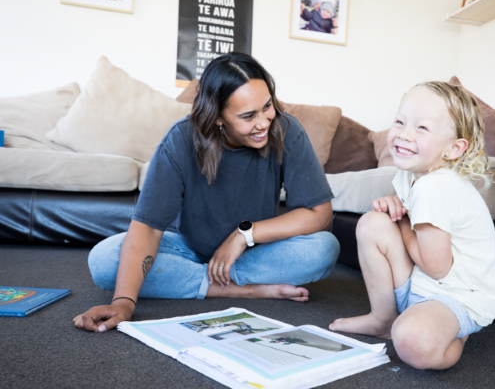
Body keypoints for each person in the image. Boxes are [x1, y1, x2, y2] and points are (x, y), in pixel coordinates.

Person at [73, 53, 340, 333]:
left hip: (251, 254)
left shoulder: (286, 130)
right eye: (248, 116)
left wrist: (243, 235)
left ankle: (203, 282)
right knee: (103, 260)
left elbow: (319, 214)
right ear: (218, 118)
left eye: (267, 106)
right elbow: (148, 230)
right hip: (186, 249)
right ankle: (241, 290)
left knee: (324, 248)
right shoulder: (179, 140)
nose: (263, 122)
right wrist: (124, 302)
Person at [329, 82, 495, 369]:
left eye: (421, 128)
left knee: (412, 343)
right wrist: (395, 208)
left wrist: (402, 220)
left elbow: (436, 266)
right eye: (400, 121)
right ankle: (382, 318)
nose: (403, 134)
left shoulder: (436, 188)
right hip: (423, 284)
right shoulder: (411, 176)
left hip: (458, 296)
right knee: (373, 223)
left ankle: (457, 334)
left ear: (453, 149)